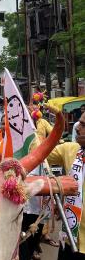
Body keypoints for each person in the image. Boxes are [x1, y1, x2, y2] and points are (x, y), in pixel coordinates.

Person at [47, 111, 85, 259]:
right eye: (79, 123)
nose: (77, 127)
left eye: (83, 125)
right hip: (69, 237)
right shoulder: (69, 149)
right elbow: (38, 151)